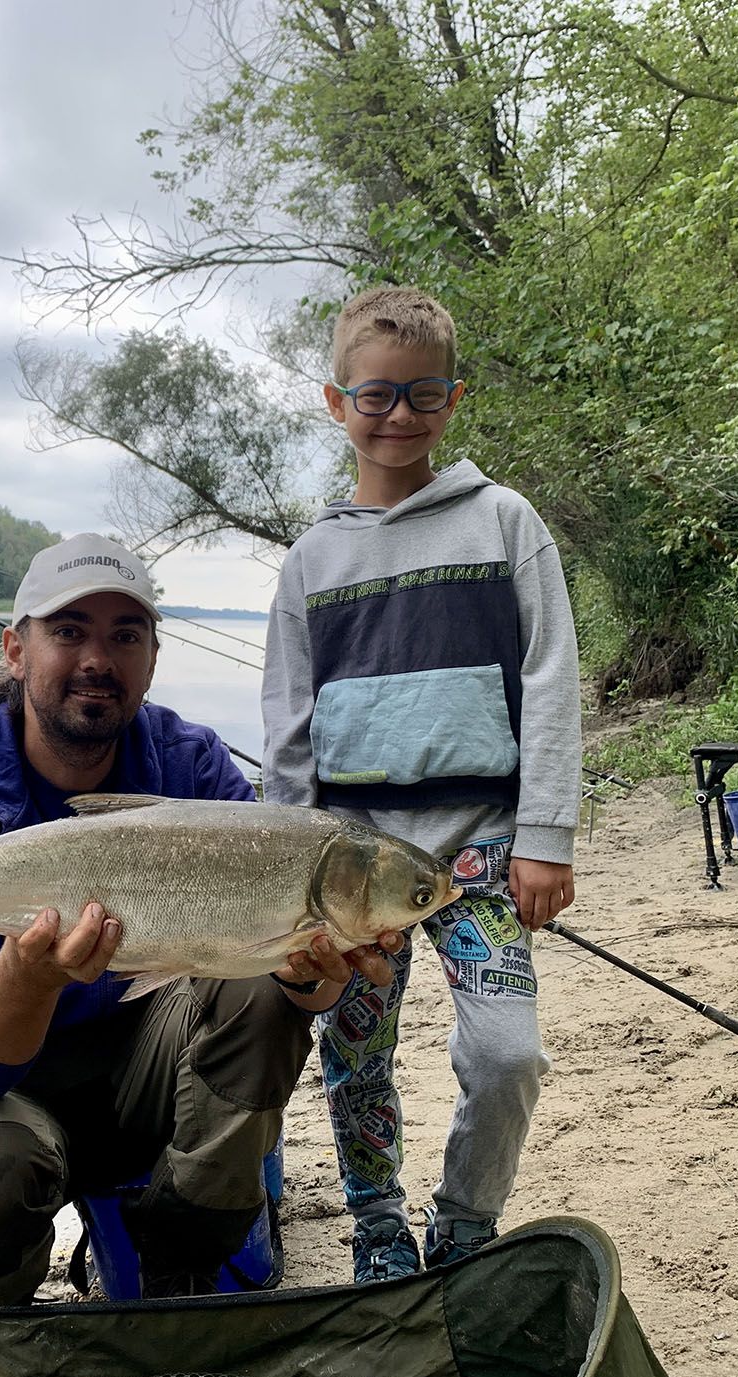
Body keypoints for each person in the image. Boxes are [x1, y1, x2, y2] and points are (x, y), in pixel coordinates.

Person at [0, 532, 397, 1305]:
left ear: (153, 656)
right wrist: (27, 974)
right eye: (69, 632)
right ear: (16, 650)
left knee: (258, 985)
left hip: (143, 1062)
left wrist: (314, 981)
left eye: (125, 635)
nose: (97, 659)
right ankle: (2, 1313)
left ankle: (178, 1268)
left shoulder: (193, 768)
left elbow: (290, 1002)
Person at [260, 285, 582, 1283]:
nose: (399, 416)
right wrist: (287, 875)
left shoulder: (505, 522)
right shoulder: (311, 559)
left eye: (423, 395)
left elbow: (552, 681)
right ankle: (378, 1231)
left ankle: (466, 1227)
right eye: (377, 397)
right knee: (356, 1060)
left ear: (453, 399)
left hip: (484, 852)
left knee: (507, 1056)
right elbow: (288, 731)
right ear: (334, 400)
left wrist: (548, 838)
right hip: (349, 872)